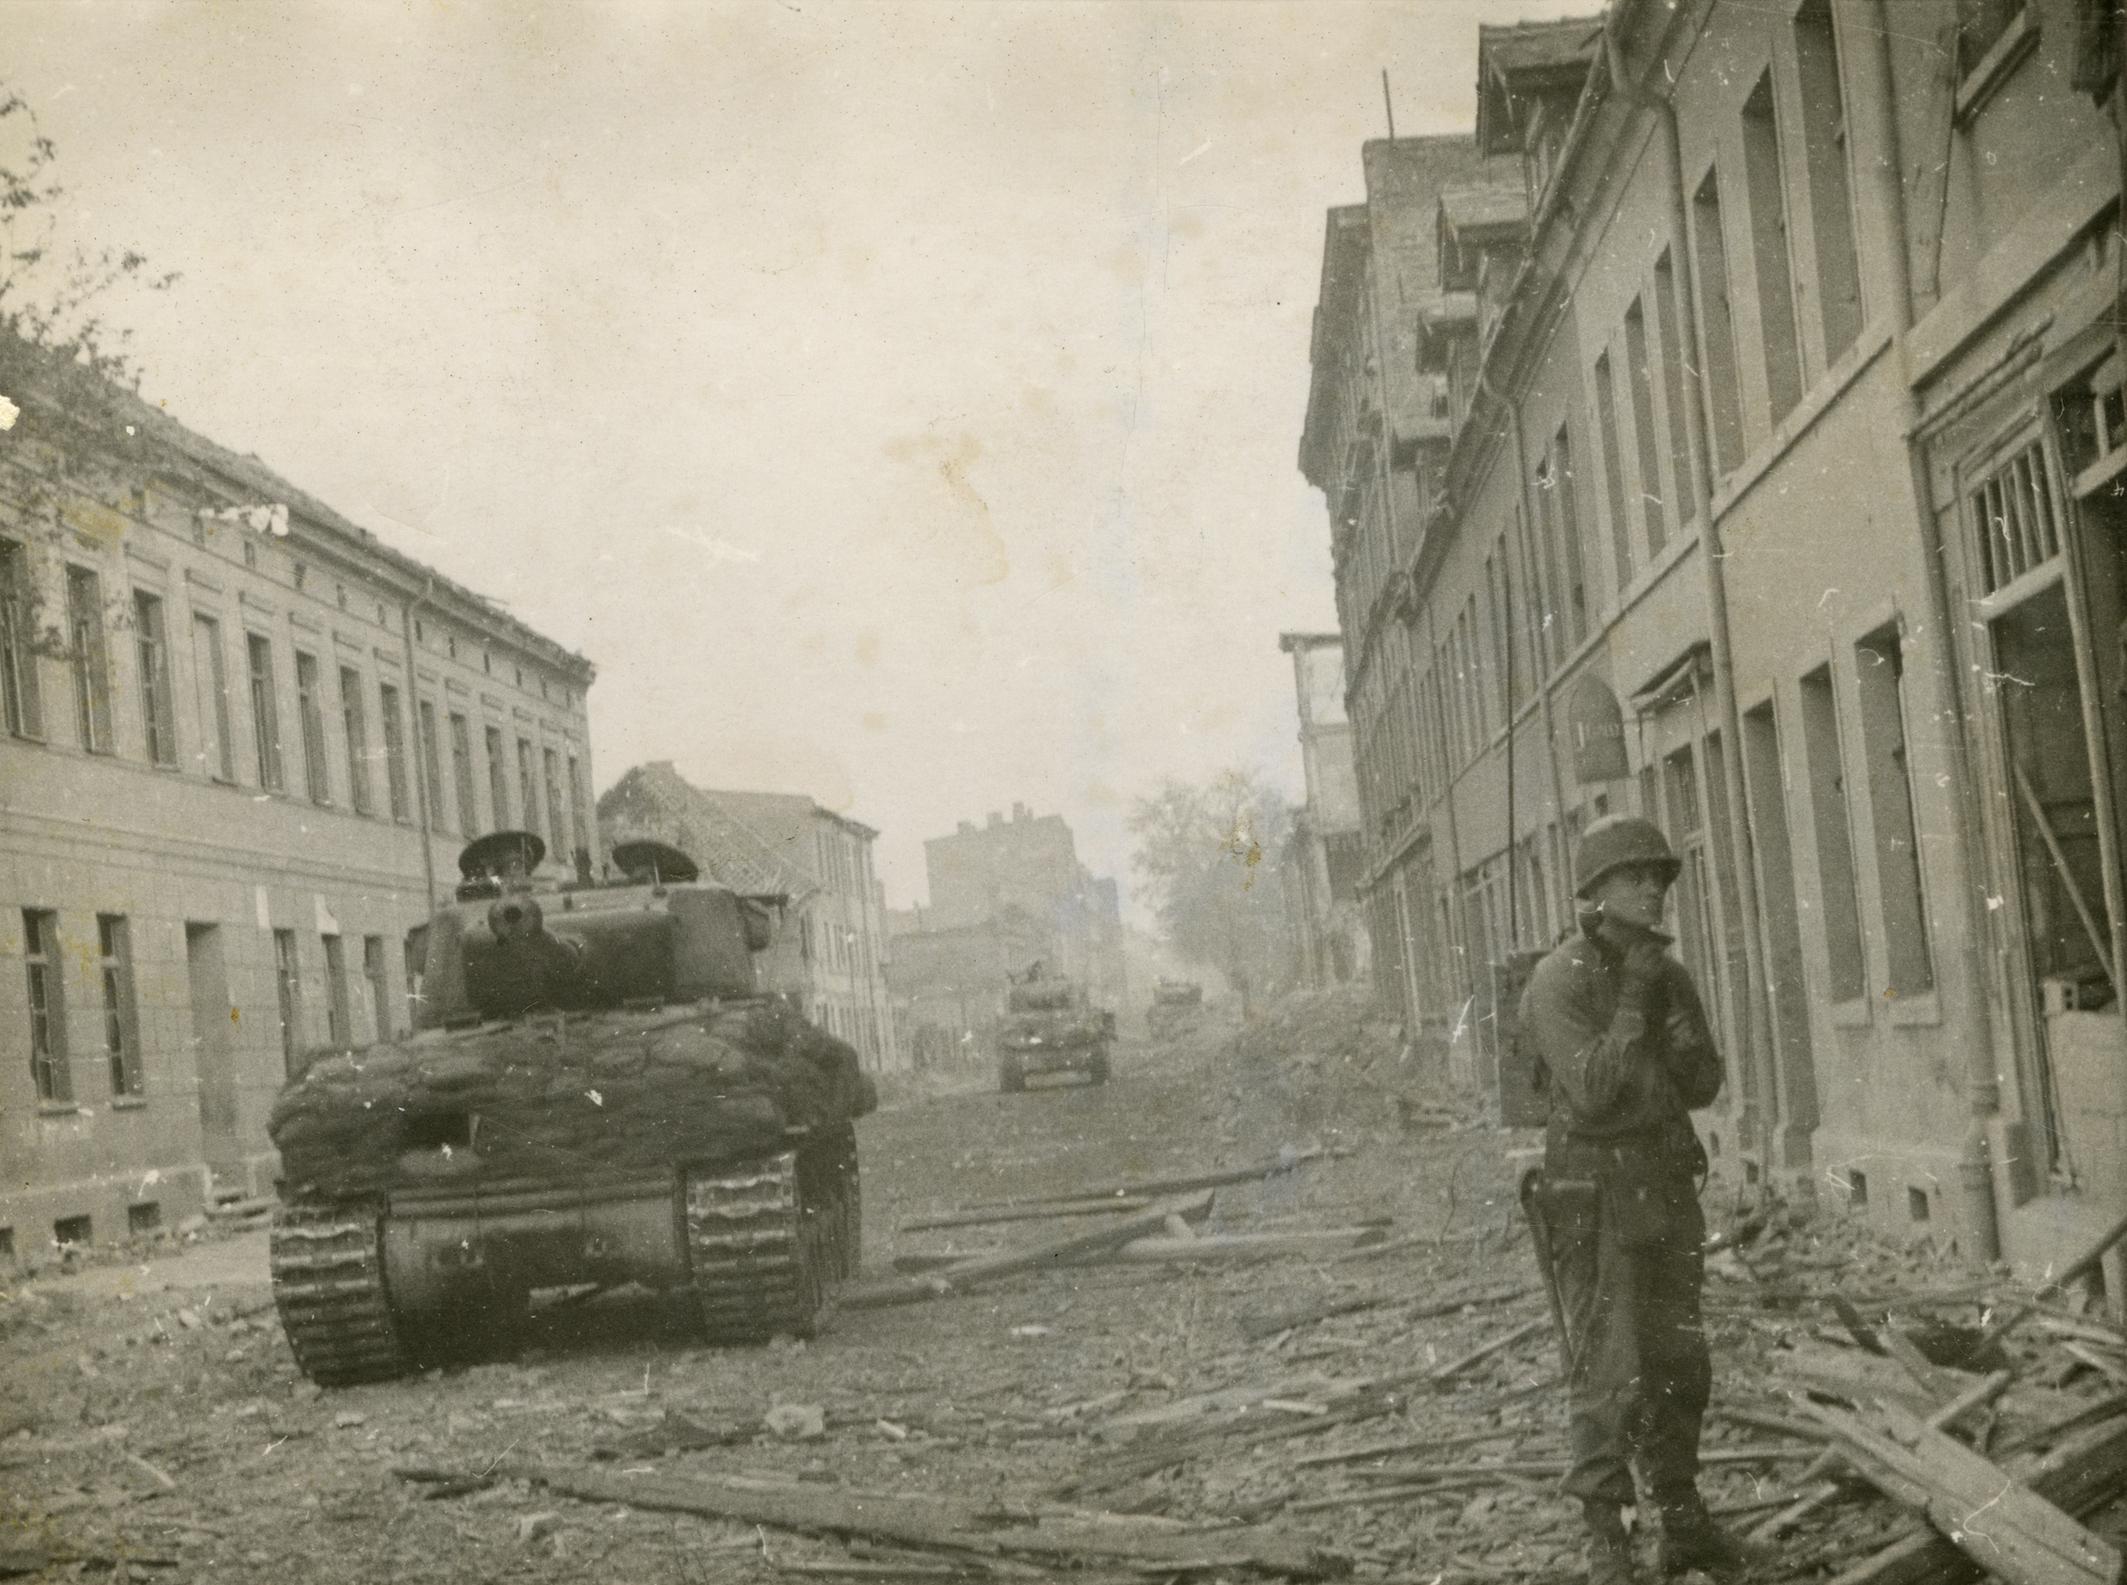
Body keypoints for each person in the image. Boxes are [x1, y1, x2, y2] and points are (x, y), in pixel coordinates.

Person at [1520, 814, 1755, 1584]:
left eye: (1658, 875)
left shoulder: (1665, 972)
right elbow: (1591, 1090)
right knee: (1609, 1371)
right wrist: (1632, 998)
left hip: (1664, 1187)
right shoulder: (1559, 978)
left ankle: (1681, 1523)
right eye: (1634, 876)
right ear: (1593, 893)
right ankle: (1609, 1542)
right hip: (1594, 1198)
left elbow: (1702, 1083)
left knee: (1681, 1362)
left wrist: (1671, 1018)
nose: (1652, 887)